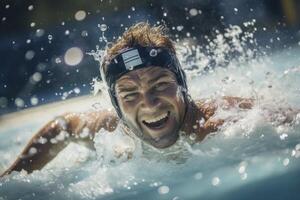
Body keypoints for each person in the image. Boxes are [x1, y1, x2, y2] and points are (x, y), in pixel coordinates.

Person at [0, 22, 293, 177]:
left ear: (181, 85)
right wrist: (12, 177)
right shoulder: (111, 130)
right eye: (129, 94)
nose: (150, 104)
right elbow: (62, 125)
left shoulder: (224, 122)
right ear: (115, 105)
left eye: (160, 85)